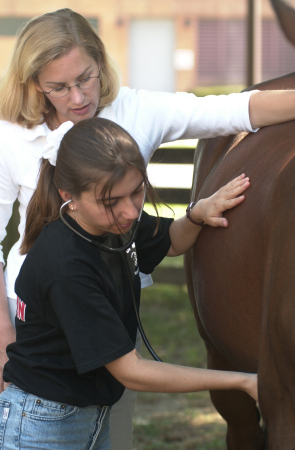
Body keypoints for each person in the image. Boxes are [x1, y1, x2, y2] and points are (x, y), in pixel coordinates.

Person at [0, 7, 295, 450]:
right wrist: (3, 352)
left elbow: (232, 110)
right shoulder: (12, 136)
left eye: (86, 78)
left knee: (109, 430)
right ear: (34, 83)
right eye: (58, 87)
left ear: (101, 61)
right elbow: (131, 369)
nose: (78, 98)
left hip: (109, 302)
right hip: (36, 315)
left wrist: (195, 215)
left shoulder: (119, 193)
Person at [0, 117, 256, 450]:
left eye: (137, 191)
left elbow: (171, 242)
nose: (131, 211)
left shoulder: (113, 223)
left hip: (84, 415)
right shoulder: (66, 265)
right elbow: (130, 371)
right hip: (43, 424)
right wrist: (244, 381)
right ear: (69, 196)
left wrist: (196, 214)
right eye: (111, 202)